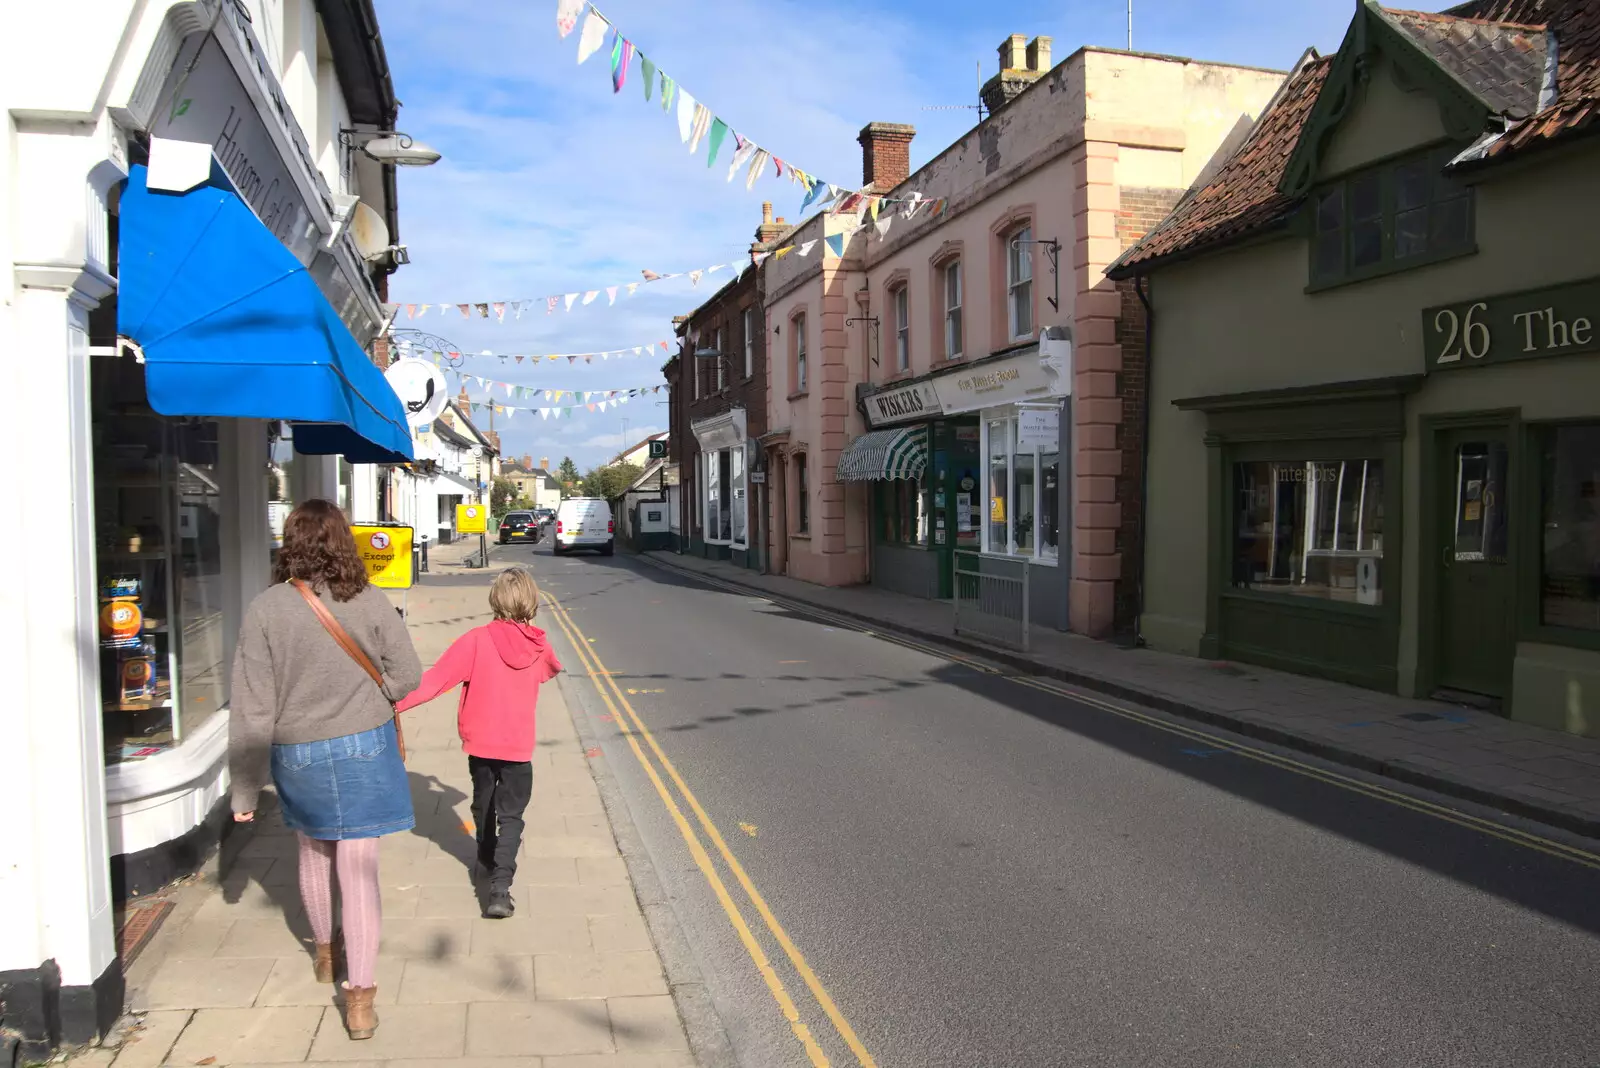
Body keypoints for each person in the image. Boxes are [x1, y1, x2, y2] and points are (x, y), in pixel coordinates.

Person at [228, 499, 422, 1041]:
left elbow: (252, 708)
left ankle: (323, 955)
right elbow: (409, 674)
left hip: (298, 753)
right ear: (343, 541)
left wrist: (244, 791)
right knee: (359, 871)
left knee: (313, 850)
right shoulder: (369, 599)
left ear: (290, 543)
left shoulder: (265, 609)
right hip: (364, 744)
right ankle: (359, 1001)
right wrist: (375, 696)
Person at [395, 567, 561, 918]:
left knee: (483, 805)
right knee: (512, 816)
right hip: (518, 746)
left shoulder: (475, 639)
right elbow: (550, 668)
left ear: (495, 600)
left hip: (481, 744)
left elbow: (436, 681)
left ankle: (485, 855)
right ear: (531, 601)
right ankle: (501, 890)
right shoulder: (539, 644)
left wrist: (393, 704)